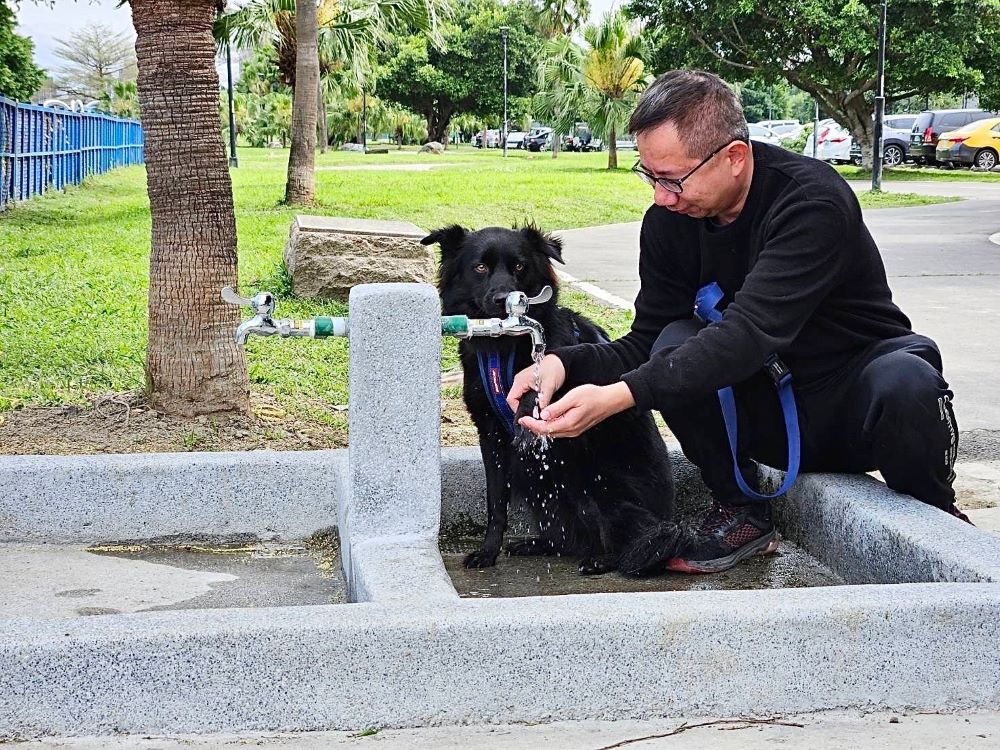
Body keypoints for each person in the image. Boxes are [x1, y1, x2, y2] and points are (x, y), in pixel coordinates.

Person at [508, 69, 966, 575]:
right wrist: (561, 364)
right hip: (765, 413)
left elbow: (746, 335)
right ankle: (741, 509)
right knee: (674, 341)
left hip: (857, 403)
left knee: (906, 379)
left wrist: (619, 396)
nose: (662, 197)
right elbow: (645, 342)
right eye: (650, 176)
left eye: (672, 179)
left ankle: (936, 518)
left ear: (734, 157)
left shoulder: (811, 201)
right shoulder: (670, 223)